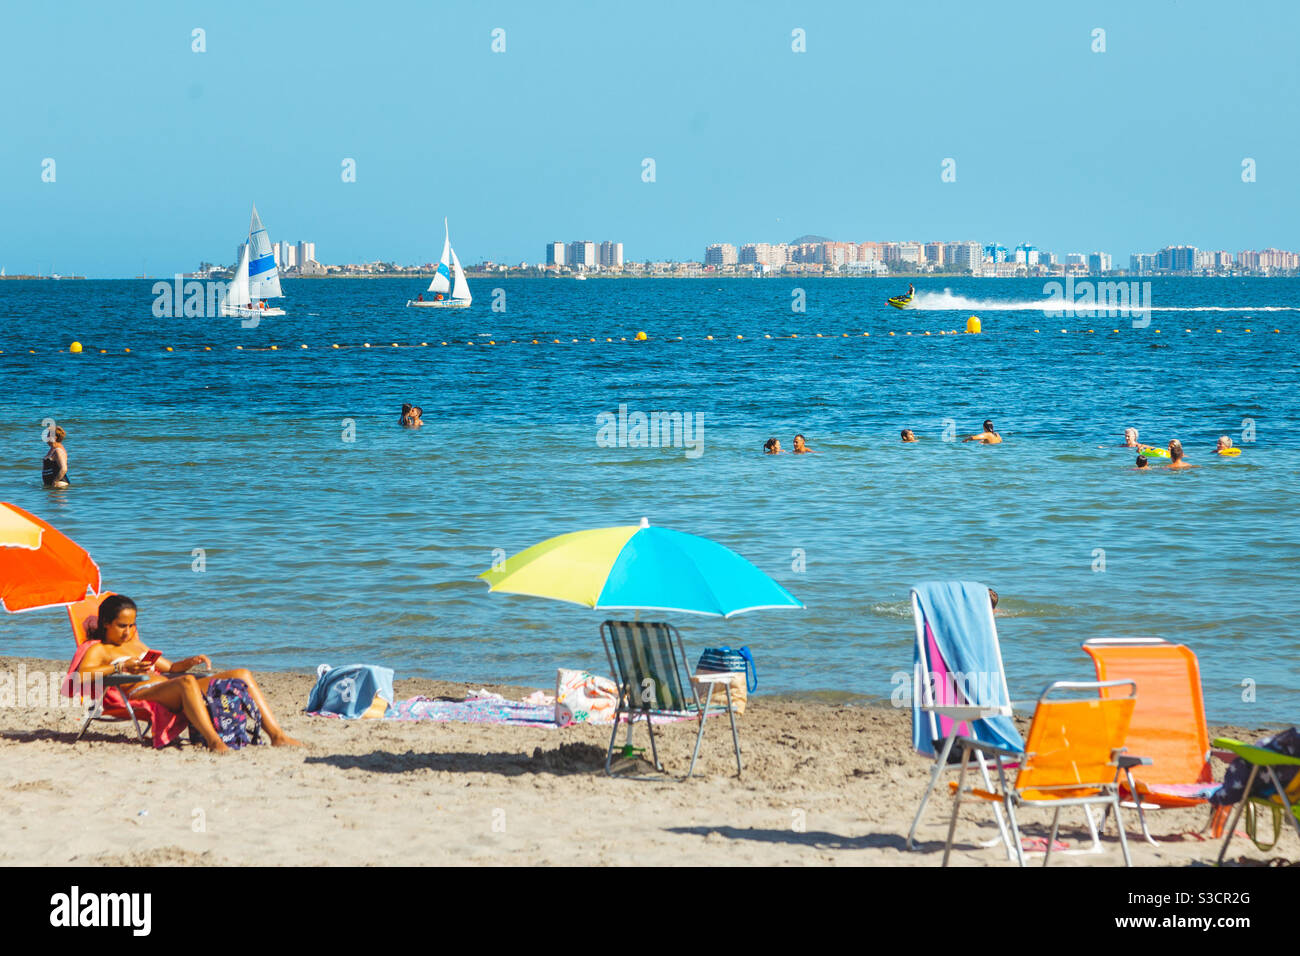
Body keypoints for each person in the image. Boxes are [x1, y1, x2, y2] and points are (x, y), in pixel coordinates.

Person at [74, 595, 301, 753]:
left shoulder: (135, 644)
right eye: (122, 625)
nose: (129, 631)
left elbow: (171, 669)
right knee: (186, 683)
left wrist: (191, 661)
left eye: (132, 625)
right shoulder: (98, 649)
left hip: (167, 686)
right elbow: (82, 676)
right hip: (140, 693)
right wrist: (121, 667)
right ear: (105, 623)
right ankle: (214, 742)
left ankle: (277, 736)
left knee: (241, 674)